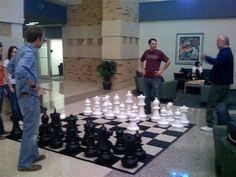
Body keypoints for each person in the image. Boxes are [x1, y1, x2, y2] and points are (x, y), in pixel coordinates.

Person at [7, 26, 46, 171]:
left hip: (23, 96)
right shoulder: (29, 52)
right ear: (37, 39)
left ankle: (34, 155)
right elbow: (20, 70)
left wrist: (20, 83)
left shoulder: (21, 49)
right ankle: (24, 164)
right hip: (29, 97)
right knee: (30, 131)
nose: (43, 41)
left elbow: (10, 68)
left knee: (32, 128)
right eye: (42, 38)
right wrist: (33, 84)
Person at [201, 34, 234, 132]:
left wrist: (206, 58)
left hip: (219, 84)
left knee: (211, 104)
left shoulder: (225, 53)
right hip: (224, 83)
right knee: (222, 104)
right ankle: (222, 124)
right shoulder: (227, 52)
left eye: (218, 41)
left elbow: (217, 62)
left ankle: (210, 125)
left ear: (223, 42)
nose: (216, 42)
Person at [140, 38, 171, 114]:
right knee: (146, 95)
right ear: (149, 44)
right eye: (153, 44)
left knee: (156, 95)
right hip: (146, 77)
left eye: (155, 44)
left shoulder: (159, 53)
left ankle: (157, 110)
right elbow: (141, 60)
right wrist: (142, 69)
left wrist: (161, 71)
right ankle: (147, 110)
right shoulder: (146, 52)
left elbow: (168, 61)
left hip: (155, 78)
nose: (154, 45)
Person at [3, 46, 23, 122]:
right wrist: (10, 86)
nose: (15, 53)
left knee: (19, 102)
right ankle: (17, 120)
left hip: (17, 84)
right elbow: (5, 75)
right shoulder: (7, 61)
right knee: (14, 102)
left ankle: (21, 119)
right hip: (9, 84)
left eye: (16, 52)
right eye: (14, 52)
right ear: (10, 53)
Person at [0, 42, 9, 140]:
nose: (1, 52)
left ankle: (1, 130)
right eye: (0, 50)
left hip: (2, 86)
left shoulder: (1, 61)